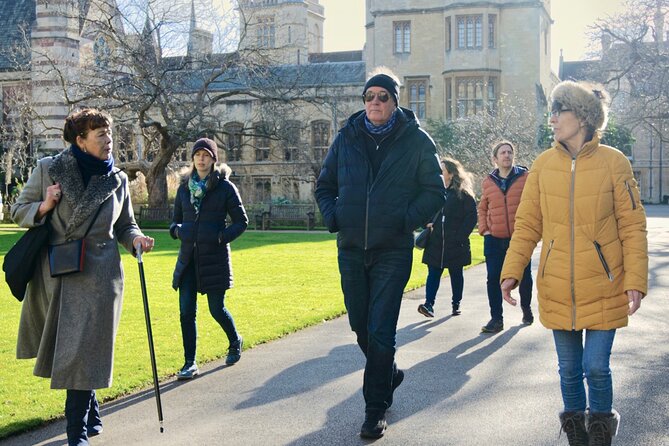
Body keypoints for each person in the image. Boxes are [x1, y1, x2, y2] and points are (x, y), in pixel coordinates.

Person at [500, 81, 648, 446]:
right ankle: (576, 436)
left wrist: (636, 279)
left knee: (595, 367)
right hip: (556, 285)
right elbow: (527, 224)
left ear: (582, 117)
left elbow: (632, 224)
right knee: (568, 371)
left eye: (557, 111)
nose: (550, 120)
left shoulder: (615, 162)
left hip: (605, 283)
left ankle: (600, 431)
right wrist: (511, 271)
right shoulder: (543, 164)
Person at [11, 108, 155, 446]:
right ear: (80, 140)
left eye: (109, 133)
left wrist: (135, 239)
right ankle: (90, 412)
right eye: (100, 135)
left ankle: (76, 434)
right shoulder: (49, 169)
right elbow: (19, 210)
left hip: (101, 277)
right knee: (77, 350)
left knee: (84, 350)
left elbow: (124, 225)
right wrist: (44, 206)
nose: (108, 141)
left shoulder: (118, 178)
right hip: (59, 275)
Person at [315, 67, 446, 439]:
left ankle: (375, 408)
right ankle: (388, 373)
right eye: (369, 96)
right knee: (360, 325)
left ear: (395, 101)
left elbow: (434, 193)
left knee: (381, 328)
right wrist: (335, 217)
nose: (375, 102)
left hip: (393, 249)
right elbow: (325, 185)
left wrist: (405, 221)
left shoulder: (417, 140)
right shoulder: (347, 137)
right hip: (352, 248)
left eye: (382, 96)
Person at [169, 138, 248, 380]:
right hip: (188, 260)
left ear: (214, 159)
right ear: (192, 158)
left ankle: (235, 341)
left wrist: (219, 238)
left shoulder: (224, 188)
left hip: (214, 259)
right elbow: (173, 223)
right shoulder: (184, 188)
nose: (201, 159)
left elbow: (241, 222)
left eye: (206, 155)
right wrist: (178, 231)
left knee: (216, 309)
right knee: (186, 312)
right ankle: (189, 362)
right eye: (197, 154)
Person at [477, 140, 533, 333]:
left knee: (524, 276)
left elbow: (534, 203)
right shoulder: (488, 181)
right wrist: (485, 229)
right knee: (493, 278)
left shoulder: (525, 177)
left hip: (518, 239)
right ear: (495, 158)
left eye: (510, 152)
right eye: (503, 153)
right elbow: (482, 207)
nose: (507, 155)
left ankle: (526, 308)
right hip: (493, 239)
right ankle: (496, 319)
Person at [417, 157, 477, 318]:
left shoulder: (463, 195)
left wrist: (460, 236)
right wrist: (426, 223)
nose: (439, 173)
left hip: (455, 244)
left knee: (456, 274)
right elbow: (423, 211)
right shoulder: (434, 193)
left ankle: (456, 304)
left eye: (442, 170)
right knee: (433, 274)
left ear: (450, 174)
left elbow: (472, 217)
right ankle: (429, 304)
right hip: (435, 242)